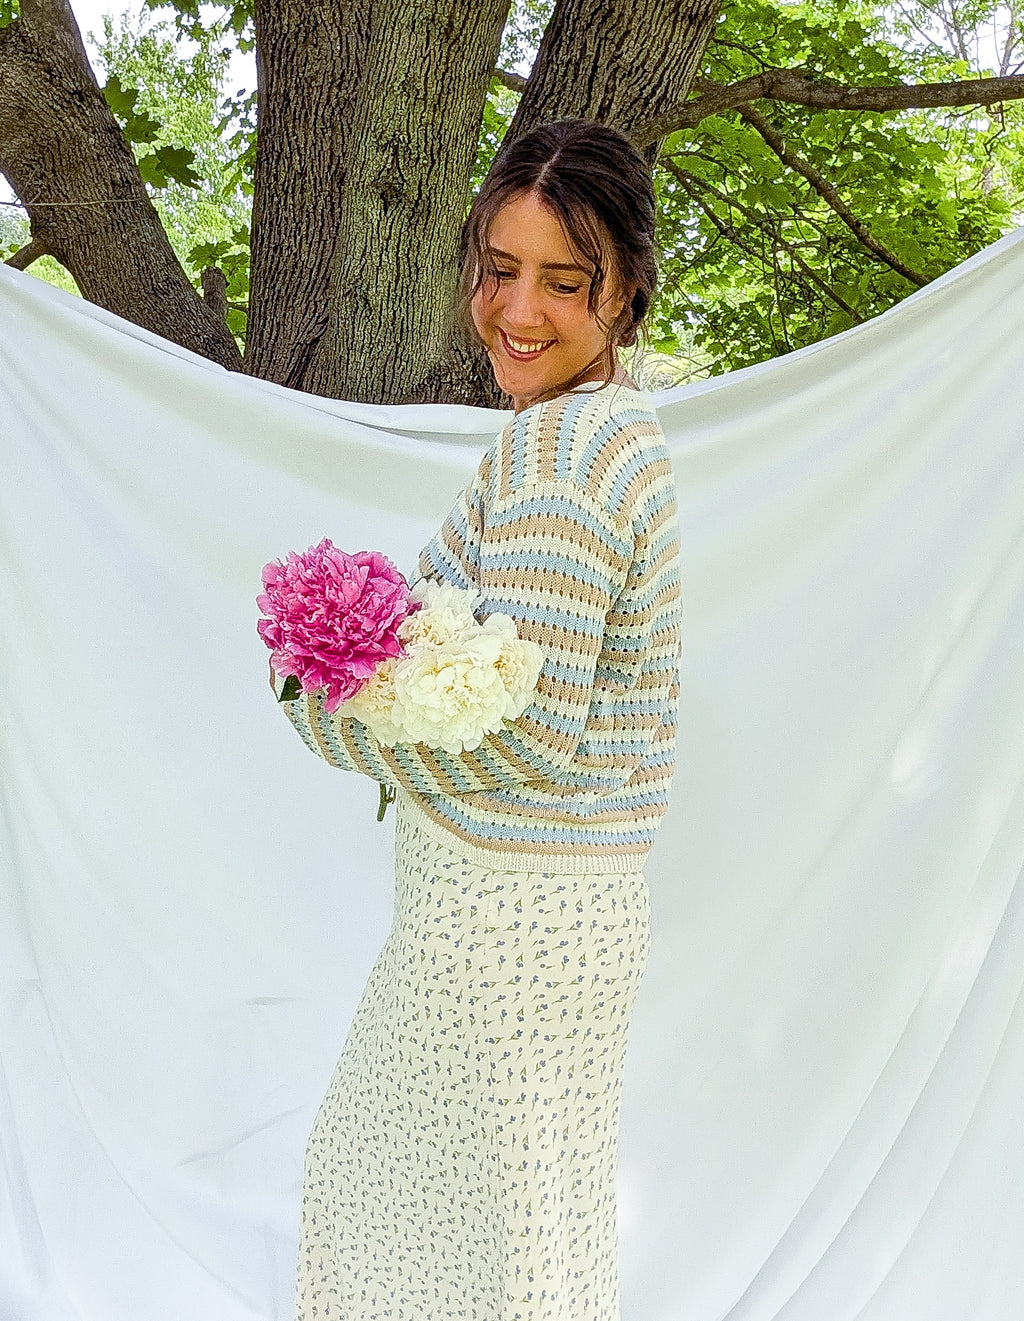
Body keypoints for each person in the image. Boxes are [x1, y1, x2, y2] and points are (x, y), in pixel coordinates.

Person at [270, 118, 682, 1321]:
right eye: (499, 268)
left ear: (626, 291)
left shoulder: (562, 453)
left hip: (510, 930)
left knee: (410, 1225)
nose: (519, 309)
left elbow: (525, 738)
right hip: (547, 920)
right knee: (515, 1238)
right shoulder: (604, 431)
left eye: (565, 281)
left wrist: (327, 713)